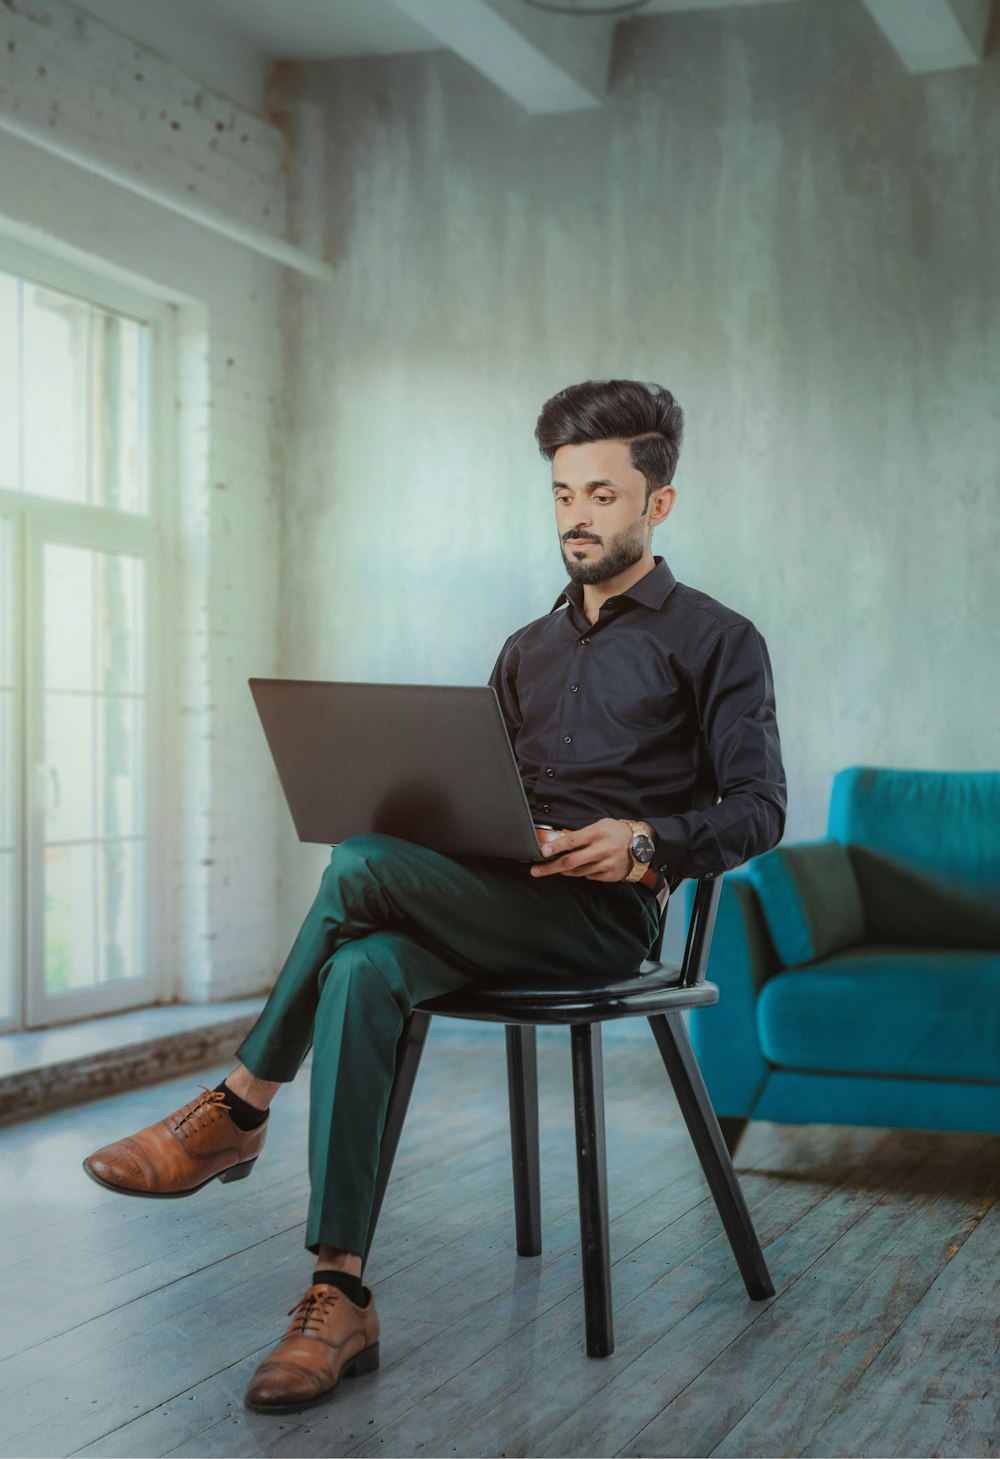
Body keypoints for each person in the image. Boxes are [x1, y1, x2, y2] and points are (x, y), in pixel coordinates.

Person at [82, 378, 787, 1414]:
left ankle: (238, 1106)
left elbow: (761, 809)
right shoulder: (525, 649)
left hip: (604, 922)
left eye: (600, 493)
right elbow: (483, 792)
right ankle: (338, 1291)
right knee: (366, 966)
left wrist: (647, 839)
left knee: (361, 863)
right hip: (493, 896)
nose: (576, 517)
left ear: (657, 502)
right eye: (559, 495)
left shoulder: (718, 640)